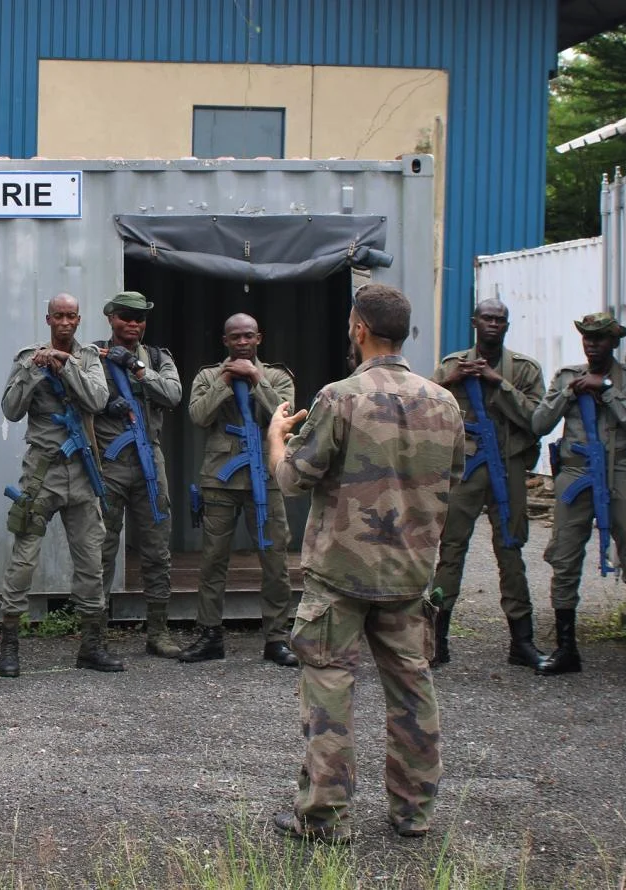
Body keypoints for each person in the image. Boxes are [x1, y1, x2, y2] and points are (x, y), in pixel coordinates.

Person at [266, 283, 464, 844]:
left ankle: (325, 817)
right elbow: (450, 477)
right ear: (404, 333)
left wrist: (276, 437)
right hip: (407, 575)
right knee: (412, 690)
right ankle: (414, 812)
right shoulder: (444, 401)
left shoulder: (340, 398)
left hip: (340, 577)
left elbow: (292, 479)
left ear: (358, 329)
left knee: (329, 689)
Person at [0, 293, 123, 677]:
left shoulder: (88, 359)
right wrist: (36, 370)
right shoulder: (26, 358)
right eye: (58, 316)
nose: (65, 322)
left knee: (90, 559)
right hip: (41, 473)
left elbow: (97, 400)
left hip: (82, 474)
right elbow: (11, 409)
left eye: (71, 316)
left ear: (79, 319)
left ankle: (92, 646)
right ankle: (9, 645)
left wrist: (66, 366)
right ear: (48, 319)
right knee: (24, 559)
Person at [532, 311, 626, 682]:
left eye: (600, 337)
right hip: (575, 473)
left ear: (614, 341)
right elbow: (539, 424)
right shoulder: (567, 377)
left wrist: (606, 390)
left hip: (617, 472)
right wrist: (570, 394)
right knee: (564, 556)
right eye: (587, 337)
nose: (591, 343)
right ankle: (566, 647)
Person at [429, 299, 546, 668]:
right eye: (487, 318)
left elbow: (537, 420)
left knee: (510, 550)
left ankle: (522, 642)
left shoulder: (524, 370)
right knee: (451, 551)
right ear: (474, 322)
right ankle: (436, 639)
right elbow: (426, 408)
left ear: (507, 326)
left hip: (507, 467)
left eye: (500, 319)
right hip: (464, 467)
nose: (493, 324)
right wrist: (453, 381)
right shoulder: (451, 364)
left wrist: (499, 384)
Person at [181, 313, 299, 667]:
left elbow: (285, 417)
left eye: (248, 336)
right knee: (213, 561)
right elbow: (198, 416)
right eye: (235, 337)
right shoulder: (207, 376)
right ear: (225, 341)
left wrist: (256, 379)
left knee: (275, 561)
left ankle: (276, 638)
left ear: (259, 338)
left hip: (265, 477)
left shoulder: (278, 376)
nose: (243, 342)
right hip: (220, 479)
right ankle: (210, 635)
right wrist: (226, 380)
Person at [91, 292, 183, 658]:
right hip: (109, 464)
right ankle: (95, 632)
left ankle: (158, 631)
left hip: (149, 461)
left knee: (157, 547)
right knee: (101, 548)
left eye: (140, 318)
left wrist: (136, 368)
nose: (133, 323)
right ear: (111, 317)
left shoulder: (158, 358)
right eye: (126, 316)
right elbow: (78, 393)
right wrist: (104, 404)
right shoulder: (92, 356)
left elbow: (174, 394)